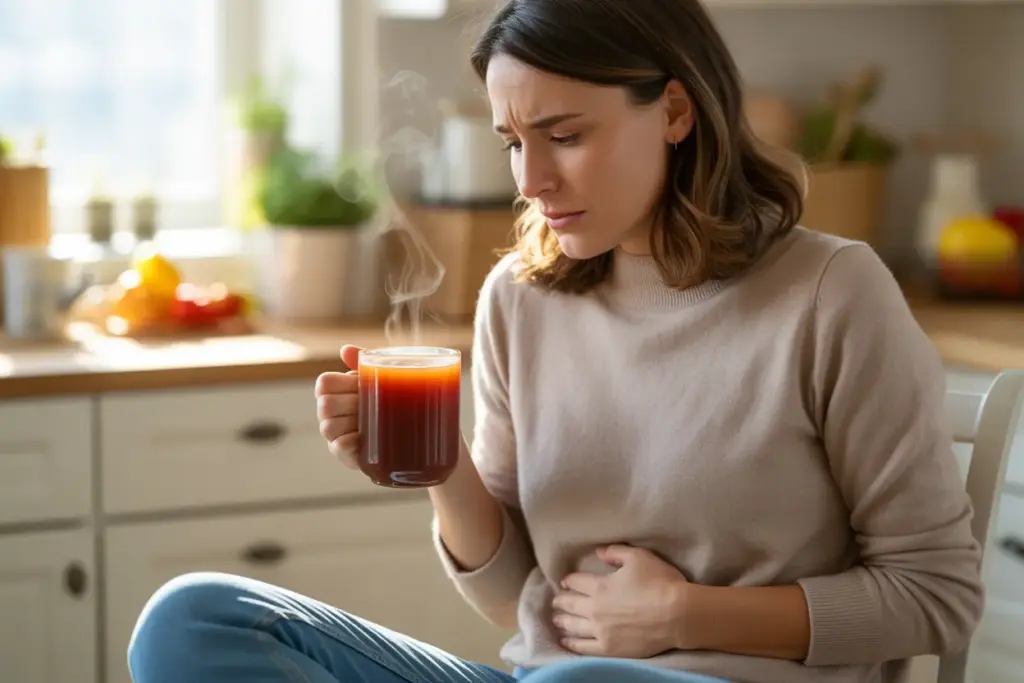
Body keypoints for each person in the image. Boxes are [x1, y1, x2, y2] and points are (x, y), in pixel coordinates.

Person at [126, 1, 985, 682]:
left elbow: (935, 596)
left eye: (565, 136)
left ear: (676, 110)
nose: (531, 181)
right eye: (512, 142)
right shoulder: (519, 300)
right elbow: (512, 603)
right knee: (193, 619)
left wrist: (686, 614)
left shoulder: (830, 293)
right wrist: (443, 469)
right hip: (553, 678)